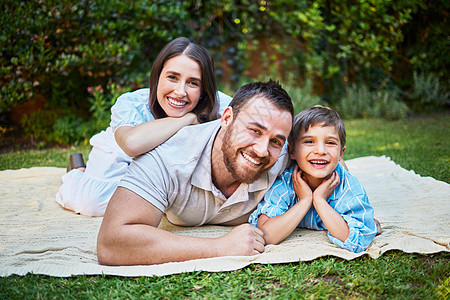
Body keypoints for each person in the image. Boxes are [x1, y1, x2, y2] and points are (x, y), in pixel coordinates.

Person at [96, 80, 294, 265]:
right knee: (90, 197)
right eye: (254, 130)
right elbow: (111, 243)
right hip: (119, 161)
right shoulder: (167, 157)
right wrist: (219, 247)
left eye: (276, 141)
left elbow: (321, 139)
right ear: (226, 118)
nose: (262, 150)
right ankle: (78, 168)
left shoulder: (286, 156)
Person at [56, 37, 232, 217]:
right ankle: (78, 171)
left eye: (193, 83)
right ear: (158, 76)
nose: (180, 92)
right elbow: (131, 144)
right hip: (121, 153)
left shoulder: (222, 107)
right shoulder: (132, 103)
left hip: (163, 169)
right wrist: (188, 118)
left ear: (204, 89)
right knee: (92, 202)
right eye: (172, 77)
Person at [249, 106, 378, 253]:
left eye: (330, 143)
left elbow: (357, 241)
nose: (321, 151)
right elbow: (265, 235)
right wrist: (305, 200)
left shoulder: (347, 187)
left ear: (341, 153)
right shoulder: (286, 182)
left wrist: (319, 200)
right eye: (309, 141)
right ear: (292, 151)